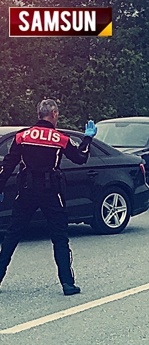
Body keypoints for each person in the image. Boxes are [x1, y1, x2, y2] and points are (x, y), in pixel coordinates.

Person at [0, 99, 96, 295]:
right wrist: (87, 139)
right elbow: (80, 158)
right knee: (59, 237)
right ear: (53, 114)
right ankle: (67, 284)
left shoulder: (22, 136)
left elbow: (8, 165)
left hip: (26, 191)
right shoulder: (60, 138)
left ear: (38, 114)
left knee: (12, 235)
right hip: (51, 192)